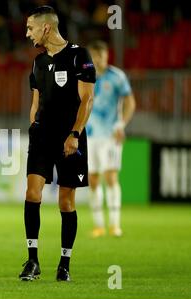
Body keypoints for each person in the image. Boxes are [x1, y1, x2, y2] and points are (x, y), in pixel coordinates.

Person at [20, 6, 96, 282]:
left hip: (70, 137)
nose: (27, 33)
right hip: (41, 136)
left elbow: (87, 100)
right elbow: (36, 101)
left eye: (30, 28)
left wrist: (75, 134)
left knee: (66, 202)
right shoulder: (38, 62)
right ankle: (32, 261)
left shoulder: (79, 56)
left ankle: (64, 263)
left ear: (46, 28)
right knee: (32, 193)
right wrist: (33, 126)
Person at [86, 40, 136, 238]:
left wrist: (121, 124)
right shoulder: (84, 77)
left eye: (102, 55)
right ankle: (98, 225)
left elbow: (130, 102)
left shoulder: (117, 77)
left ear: (106, 56)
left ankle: (115, 224)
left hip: (110, 135)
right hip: (89, 135)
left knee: (111, 177)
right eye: (95, 55)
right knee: (93, 179)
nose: (98, 59)